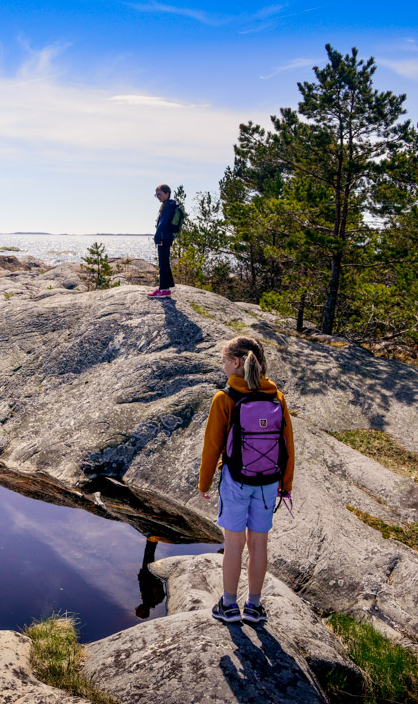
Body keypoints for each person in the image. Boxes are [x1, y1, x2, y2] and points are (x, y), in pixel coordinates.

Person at [198, 336, 295, 624]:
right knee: (259, 544)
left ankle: (228, 605)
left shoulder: (225, 398)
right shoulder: (276, 397)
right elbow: (288, 445)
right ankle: (254, 606)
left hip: (235, 481)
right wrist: (285, 485)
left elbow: (212, 446)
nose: (223, 366)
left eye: (225, 361)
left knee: (234, 544)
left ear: (237, 362)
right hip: (267, 483)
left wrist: (204, 484)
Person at [149, 184, 177, 298]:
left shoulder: (167, 206)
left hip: (164, 238)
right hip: (167, 237)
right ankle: (166, 287)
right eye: (156, 195)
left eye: (159, 194)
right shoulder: (169, 205)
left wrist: (157, 237)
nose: (158, 197)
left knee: (163, 263)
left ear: (167, 193)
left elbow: (163, 223)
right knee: (165, 262)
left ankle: (164, 290)